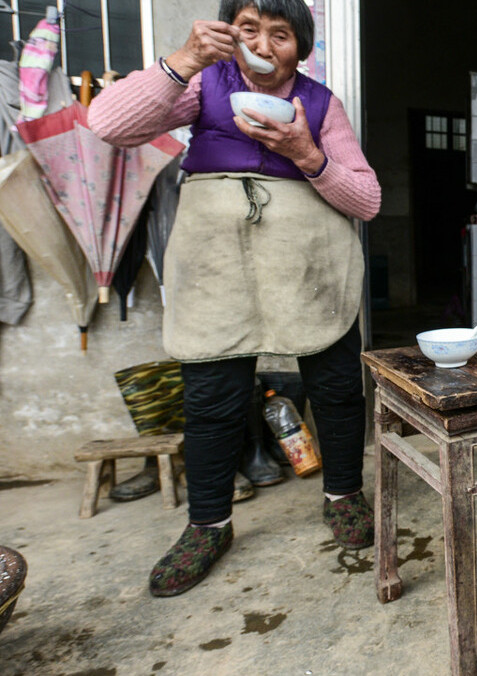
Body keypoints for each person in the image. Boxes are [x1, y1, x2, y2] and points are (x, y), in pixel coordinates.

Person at [89, 0, 381, 597]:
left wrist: (307, 155)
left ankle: (344, 494)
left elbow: (367, 199)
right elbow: (109, 124)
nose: (265, 46)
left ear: (301, 49)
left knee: (335, 388)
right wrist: (185, 58)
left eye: (281, 35)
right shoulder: (203, 83)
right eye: (250, 30)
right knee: (213, 400)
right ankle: (208, 525)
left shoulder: (322, 105)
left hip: (308, 266)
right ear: (229, 35)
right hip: (217, 266)